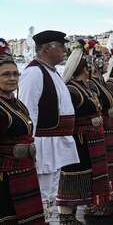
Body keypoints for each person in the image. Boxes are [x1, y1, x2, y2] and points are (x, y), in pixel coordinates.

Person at [18, 30, 79, 221]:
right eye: (60, 47)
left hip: (55, 142)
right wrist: (30, 141)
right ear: (46, 49)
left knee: (50, 192)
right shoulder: (34, 73)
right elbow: (28, 111)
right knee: (43, 192)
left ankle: (46, 219)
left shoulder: (51, 72)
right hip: (43, 143)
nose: (64, 51)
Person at [57, 40, 111, 223]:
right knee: (73, 175)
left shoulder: (85, 87)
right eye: (88, 66)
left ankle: (89, 205)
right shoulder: (71, 89)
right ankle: (66, 214)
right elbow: (65, 117)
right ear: (84, 68)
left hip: (90, 139)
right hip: (78, 140)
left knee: (88, 173)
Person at [0, 40, 46, 225]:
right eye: (5, 74)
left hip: (24, 170)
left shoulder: (17, 103)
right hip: (5, 176)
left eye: (15, 74)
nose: (12, 78)